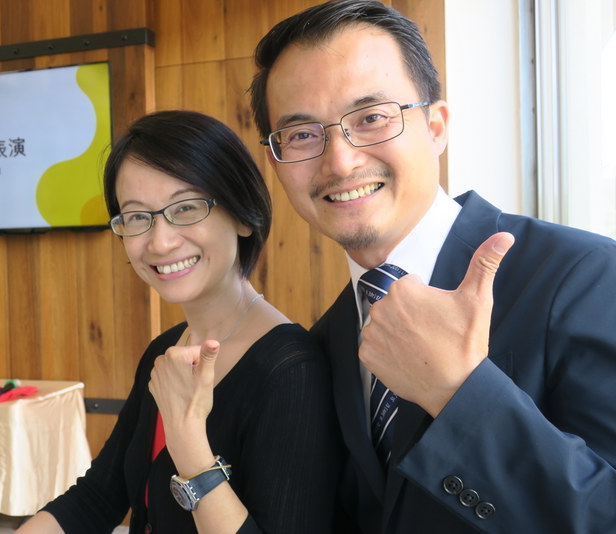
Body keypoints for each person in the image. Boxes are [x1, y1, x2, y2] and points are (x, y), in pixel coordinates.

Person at [249, 1, 616, 533]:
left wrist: (458, 393)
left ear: (437, 126)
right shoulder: (327, 339)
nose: (340, 162)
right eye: (303, 134)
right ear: (276, 161)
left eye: (371, 118)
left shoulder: (582, 275)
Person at [15, 110, 341, 534]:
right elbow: (98, 497)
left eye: (186, 207)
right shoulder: (166, 350)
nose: (160, 241)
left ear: (243, 215)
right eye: (137, 217)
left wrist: (189, 443)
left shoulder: (292, 371)